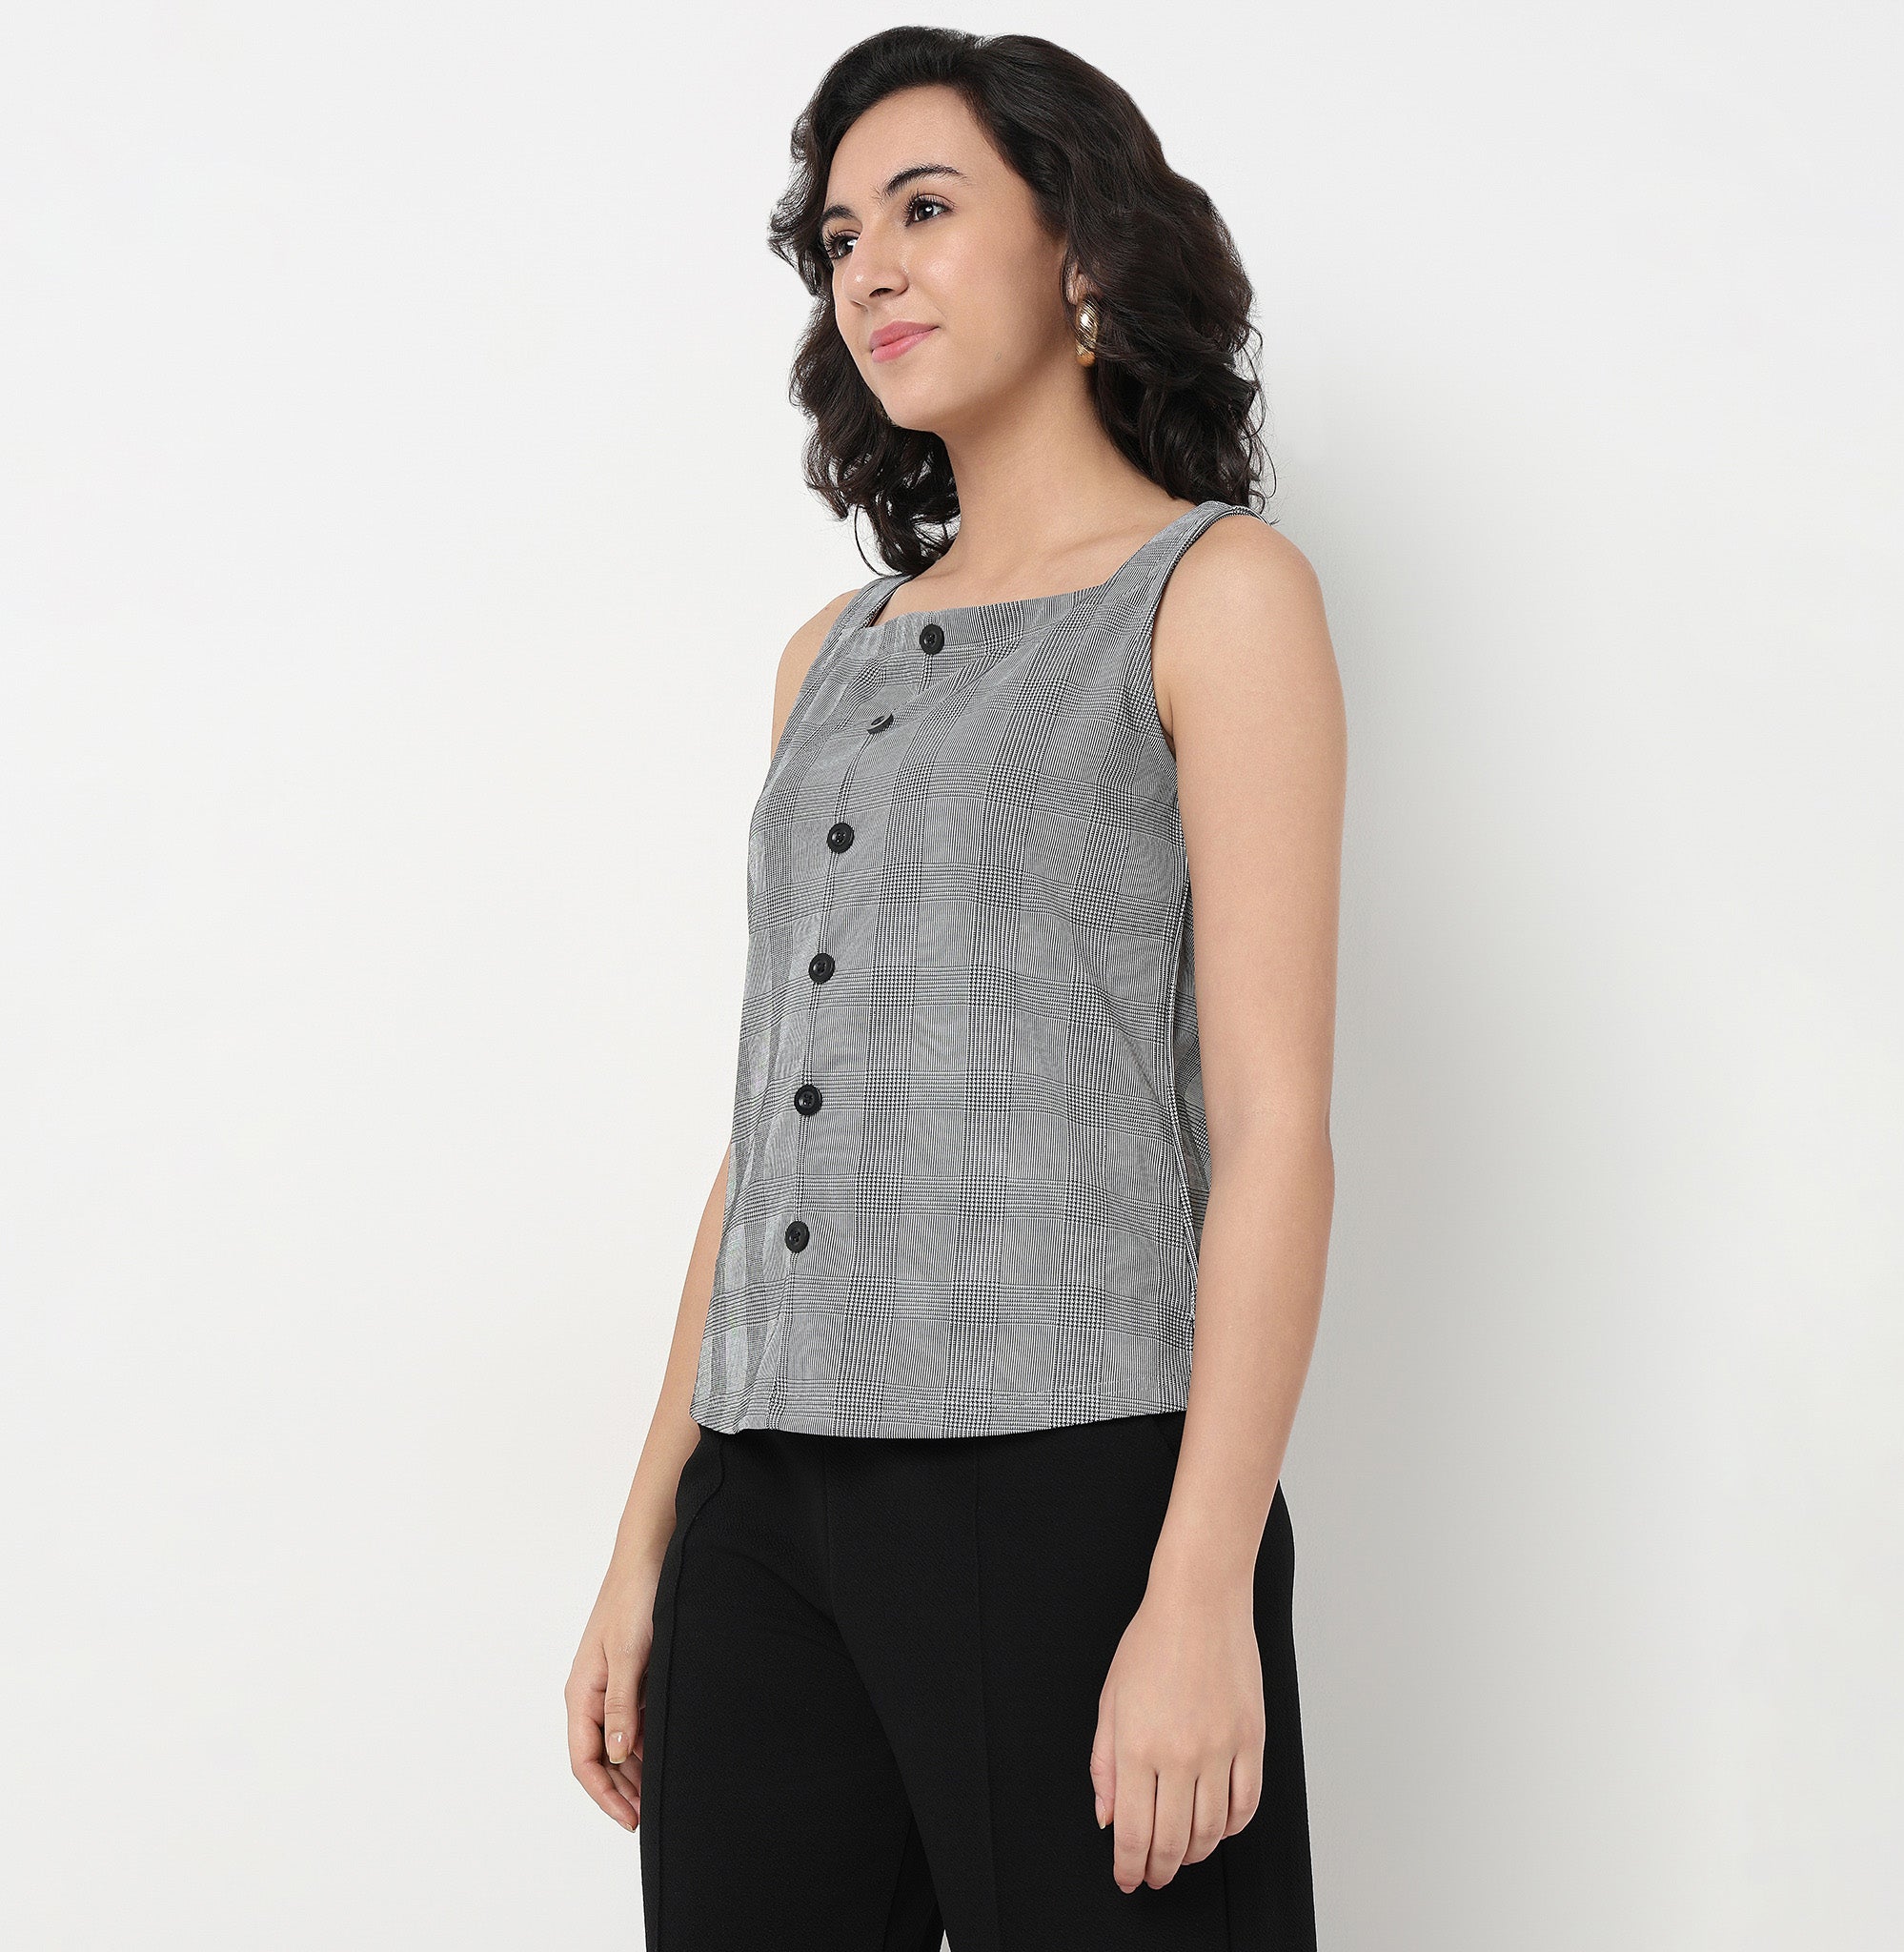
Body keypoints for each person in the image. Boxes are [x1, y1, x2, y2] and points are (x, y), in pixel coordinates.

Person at [567, 27, 1345, 1950]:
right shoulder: (825, 654)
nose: (873, 270)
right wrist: (646, 1539)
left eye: (925, 209)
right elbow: (775, 1125)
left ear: (1079, 243)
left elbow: (1272, 1126)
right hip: (766, 1510)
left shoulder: (1213, 595)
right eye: (842, 239)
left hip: (1071, 1482)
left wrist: (1199, 1590)